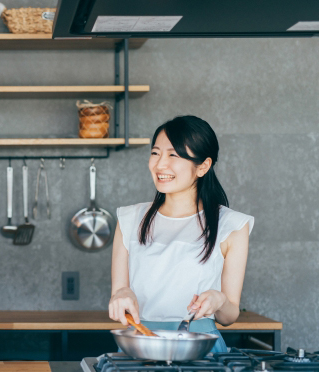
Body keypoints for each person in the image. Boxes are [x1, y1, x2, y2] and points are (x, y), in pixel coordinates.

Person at [108, 115, 253, 353]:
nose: (160, 164)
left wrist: (219, 301)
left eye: (173, 155)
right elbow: (119, 294)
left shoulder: (232, 225)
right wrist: (121, 295)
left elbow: (229, 316)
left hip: (200, 348)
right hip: (142, 345)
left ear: (203, 166)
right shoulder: (129, 219)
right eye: (155, 153)